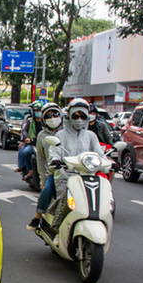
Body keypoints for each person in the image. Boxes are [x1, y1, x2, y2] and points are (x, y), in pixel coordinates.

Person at [48, 98, 116, 242]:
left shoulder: (91, 136)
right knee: (64, 200)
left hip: (88, 177)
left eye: (82, 116)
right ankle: (56, 230)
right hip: (65, 176)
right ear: (70, 116)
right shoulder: (60, 135)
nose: (79, 119)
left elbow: (100, 155)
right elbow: (53, 152)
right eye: (75, 116)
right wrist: (55, 160)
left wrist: (110, 163)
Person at [26, 103, 64, 231]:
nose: (53, 117)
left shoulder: (67, 132)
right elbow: (41, 159)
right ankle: (37, 217)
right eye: (48, 115)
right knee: (47, 190)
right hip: (55, 173)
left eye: (55, 114)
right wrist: (43, 179)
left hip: (75, 172)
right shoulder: (42, 136)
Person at [16, 101, 44, 180]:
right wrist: (26, 138)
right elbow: (24, 130)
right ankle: (30, 170)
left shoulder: (45, 121)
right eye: (35, 111)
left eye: (39, 110)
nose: (37, 112)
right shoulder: (30, 120)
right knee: (26, 152)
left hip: (44, 143)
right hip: (33, 144)